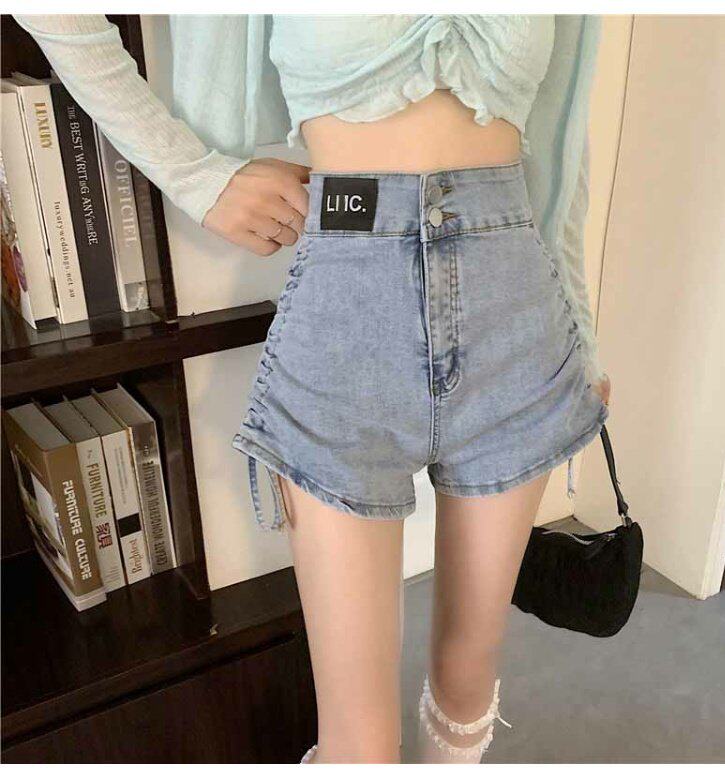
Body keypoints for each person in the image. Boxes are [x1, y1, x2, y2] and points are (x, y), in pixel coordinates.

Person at [15, 14, 610, 764]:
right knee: (359, 744)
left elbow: (560, 143)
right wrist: (197, 178)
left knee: (467, 685)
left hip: (517, 328)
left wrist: (582, 333)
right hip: (343, 325)